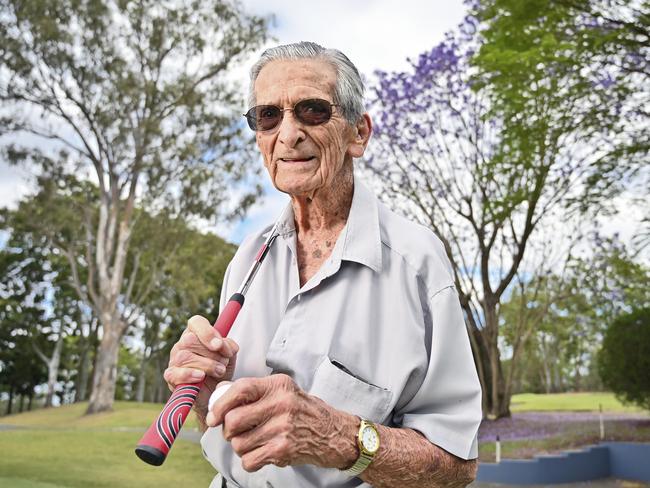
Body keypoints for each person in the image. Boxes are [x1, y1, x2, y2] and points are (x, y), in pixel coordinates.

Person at [163, 41, 482, 488]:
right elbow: (223, 440)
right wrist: (201, 395)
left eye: (311, 110)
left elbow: (456, 465)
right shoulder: (247, 259)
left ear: (358, 133)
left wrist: (341, 438)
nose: (288, 134)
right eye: (268, 116)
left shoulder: (417, 263)